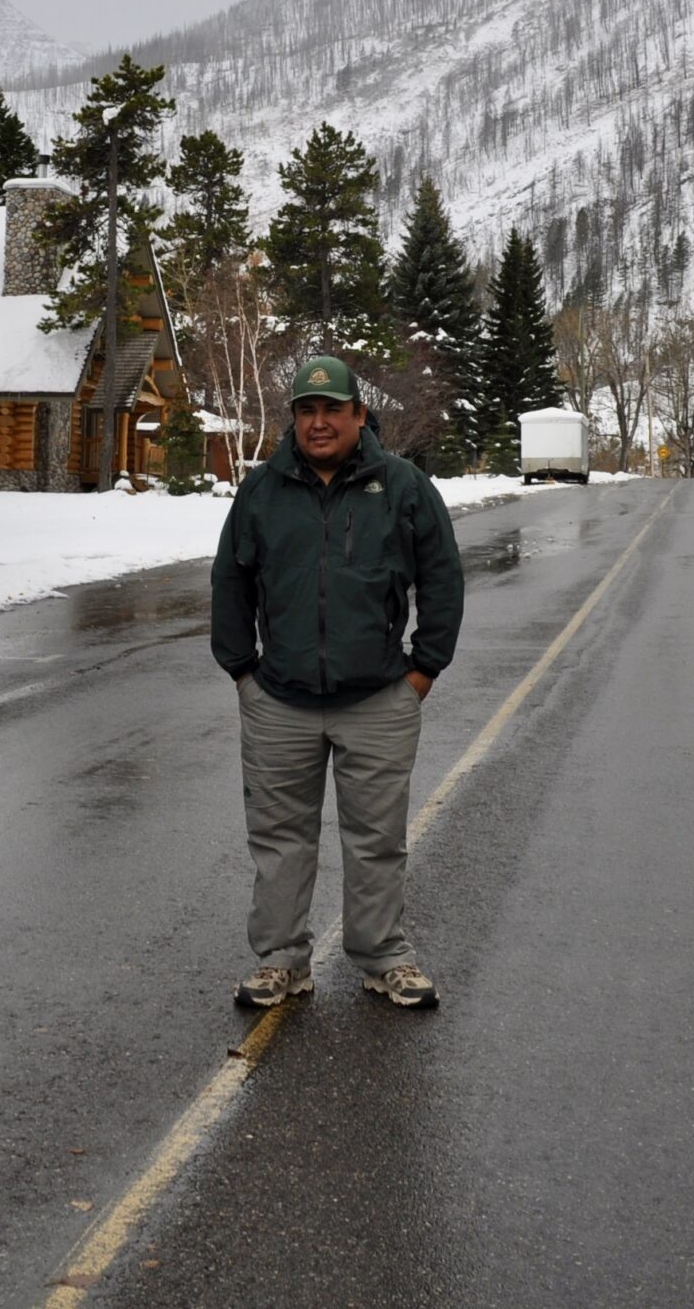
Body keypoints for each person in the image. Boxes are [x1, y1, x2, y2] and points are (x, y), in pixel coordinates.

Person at [210, 354, 464, 1009]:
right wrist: (242, 672)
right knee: (279, 839)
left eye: (331, 409)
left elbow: (442, 577)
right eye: (305, 410)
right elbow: (230, 581)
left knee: (377, 839)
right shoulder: (262, 491)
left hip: (378, 698)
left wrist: (423, 668)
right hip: (280, 700)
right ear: (293, 419)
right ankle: (281, 962)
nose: (318, 423)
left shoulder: (402, 486)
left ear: (358, 414)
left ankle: (383, 956)